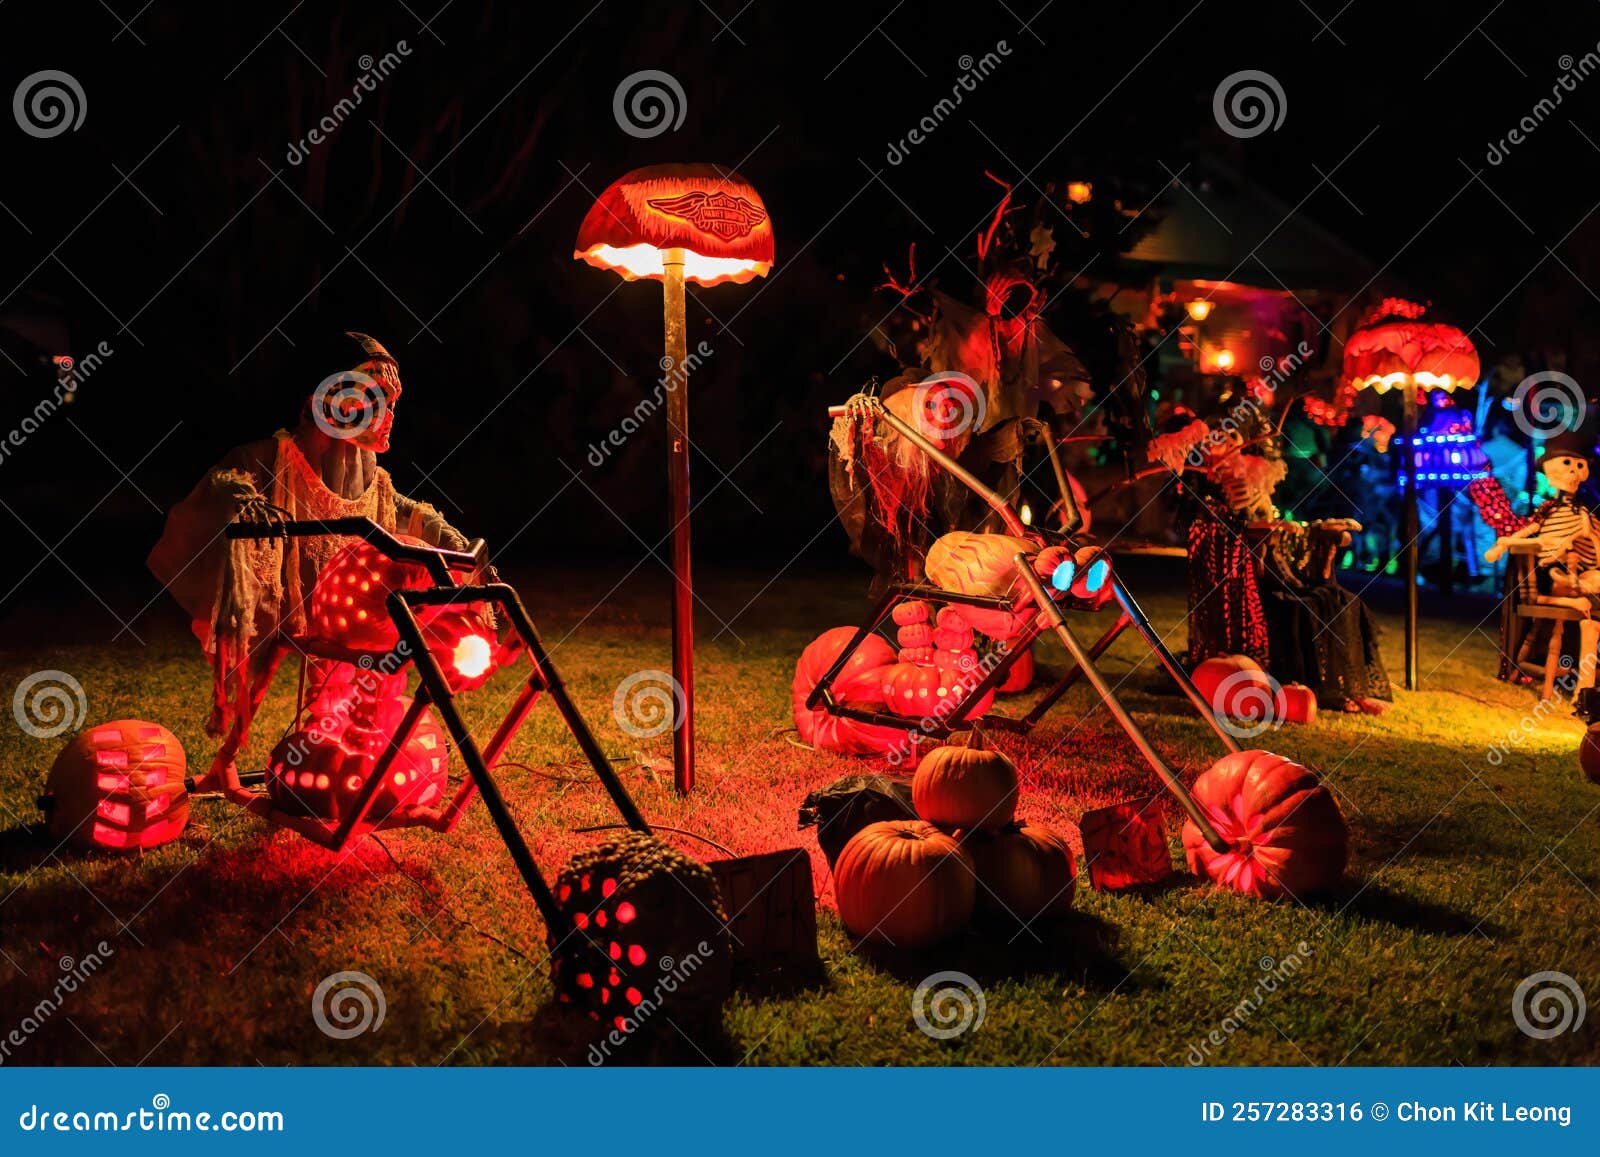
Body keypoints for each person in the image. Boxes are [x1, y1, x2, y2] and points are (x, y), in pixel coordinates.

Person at [148, 331, 471, 791]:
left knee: (390, 655)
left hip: (356, 617)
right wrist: (243, 500)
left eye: (392, 402)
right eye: (372, 398)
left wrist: (447, 540)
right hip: (299, 610)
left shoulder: (373, 478)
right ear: (329, 397)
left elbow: (399, 506)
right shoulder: (278, 459)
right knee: (283, 660)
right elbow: (229, 478)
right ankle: (256, 759)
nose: (388, 415)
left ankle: (358, 758)